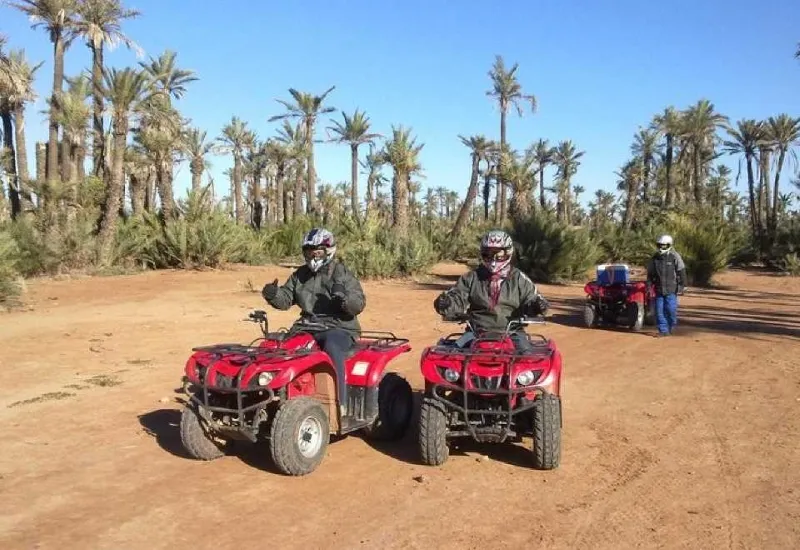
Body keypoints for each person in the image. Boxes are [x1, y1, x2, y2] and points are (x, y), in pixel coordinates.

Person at [261, 228, 365, 414]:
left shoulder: (342, 274)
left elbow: (358, 303)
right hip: (307, 326)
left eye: (317, 251)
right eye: (309, 252)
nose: (313, 256)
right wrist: (273, 294)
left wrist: (344, 300)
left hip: (339, 327)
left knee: (332, 346)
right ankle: (269, 395)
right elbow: (285, 299)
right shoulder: (300, 275)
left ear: (328, 251)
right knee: (276, 346)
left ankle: (340, 402)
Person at [433, 229, 549, 351]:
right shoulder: (471, 278)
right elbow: (457, 297)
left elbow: (532, 298)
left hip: (512, 333)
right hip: (476, 333)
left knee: (528, 361)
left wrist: (537, 306)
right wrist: (446, 303)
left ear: (508, 253)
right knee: (451, 357)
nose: (493, 260)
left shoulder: (520, 279)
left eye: (498, 255)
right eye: (487, 255)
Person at [646, 234, 687, 337]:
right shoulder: (655, 258)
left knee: (670, 310)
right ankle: (663, 330)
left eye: (664, 245)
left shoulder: (675, 256)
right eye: (660, 245)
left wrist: (683, 284)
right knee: (659, 311)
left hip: (671, 289)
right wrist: (649, 285)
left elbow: (681, 270)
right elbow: (650, 273)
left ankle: (671, 325)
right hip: (659, 289)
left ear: (669, 245)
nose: (661, 247)